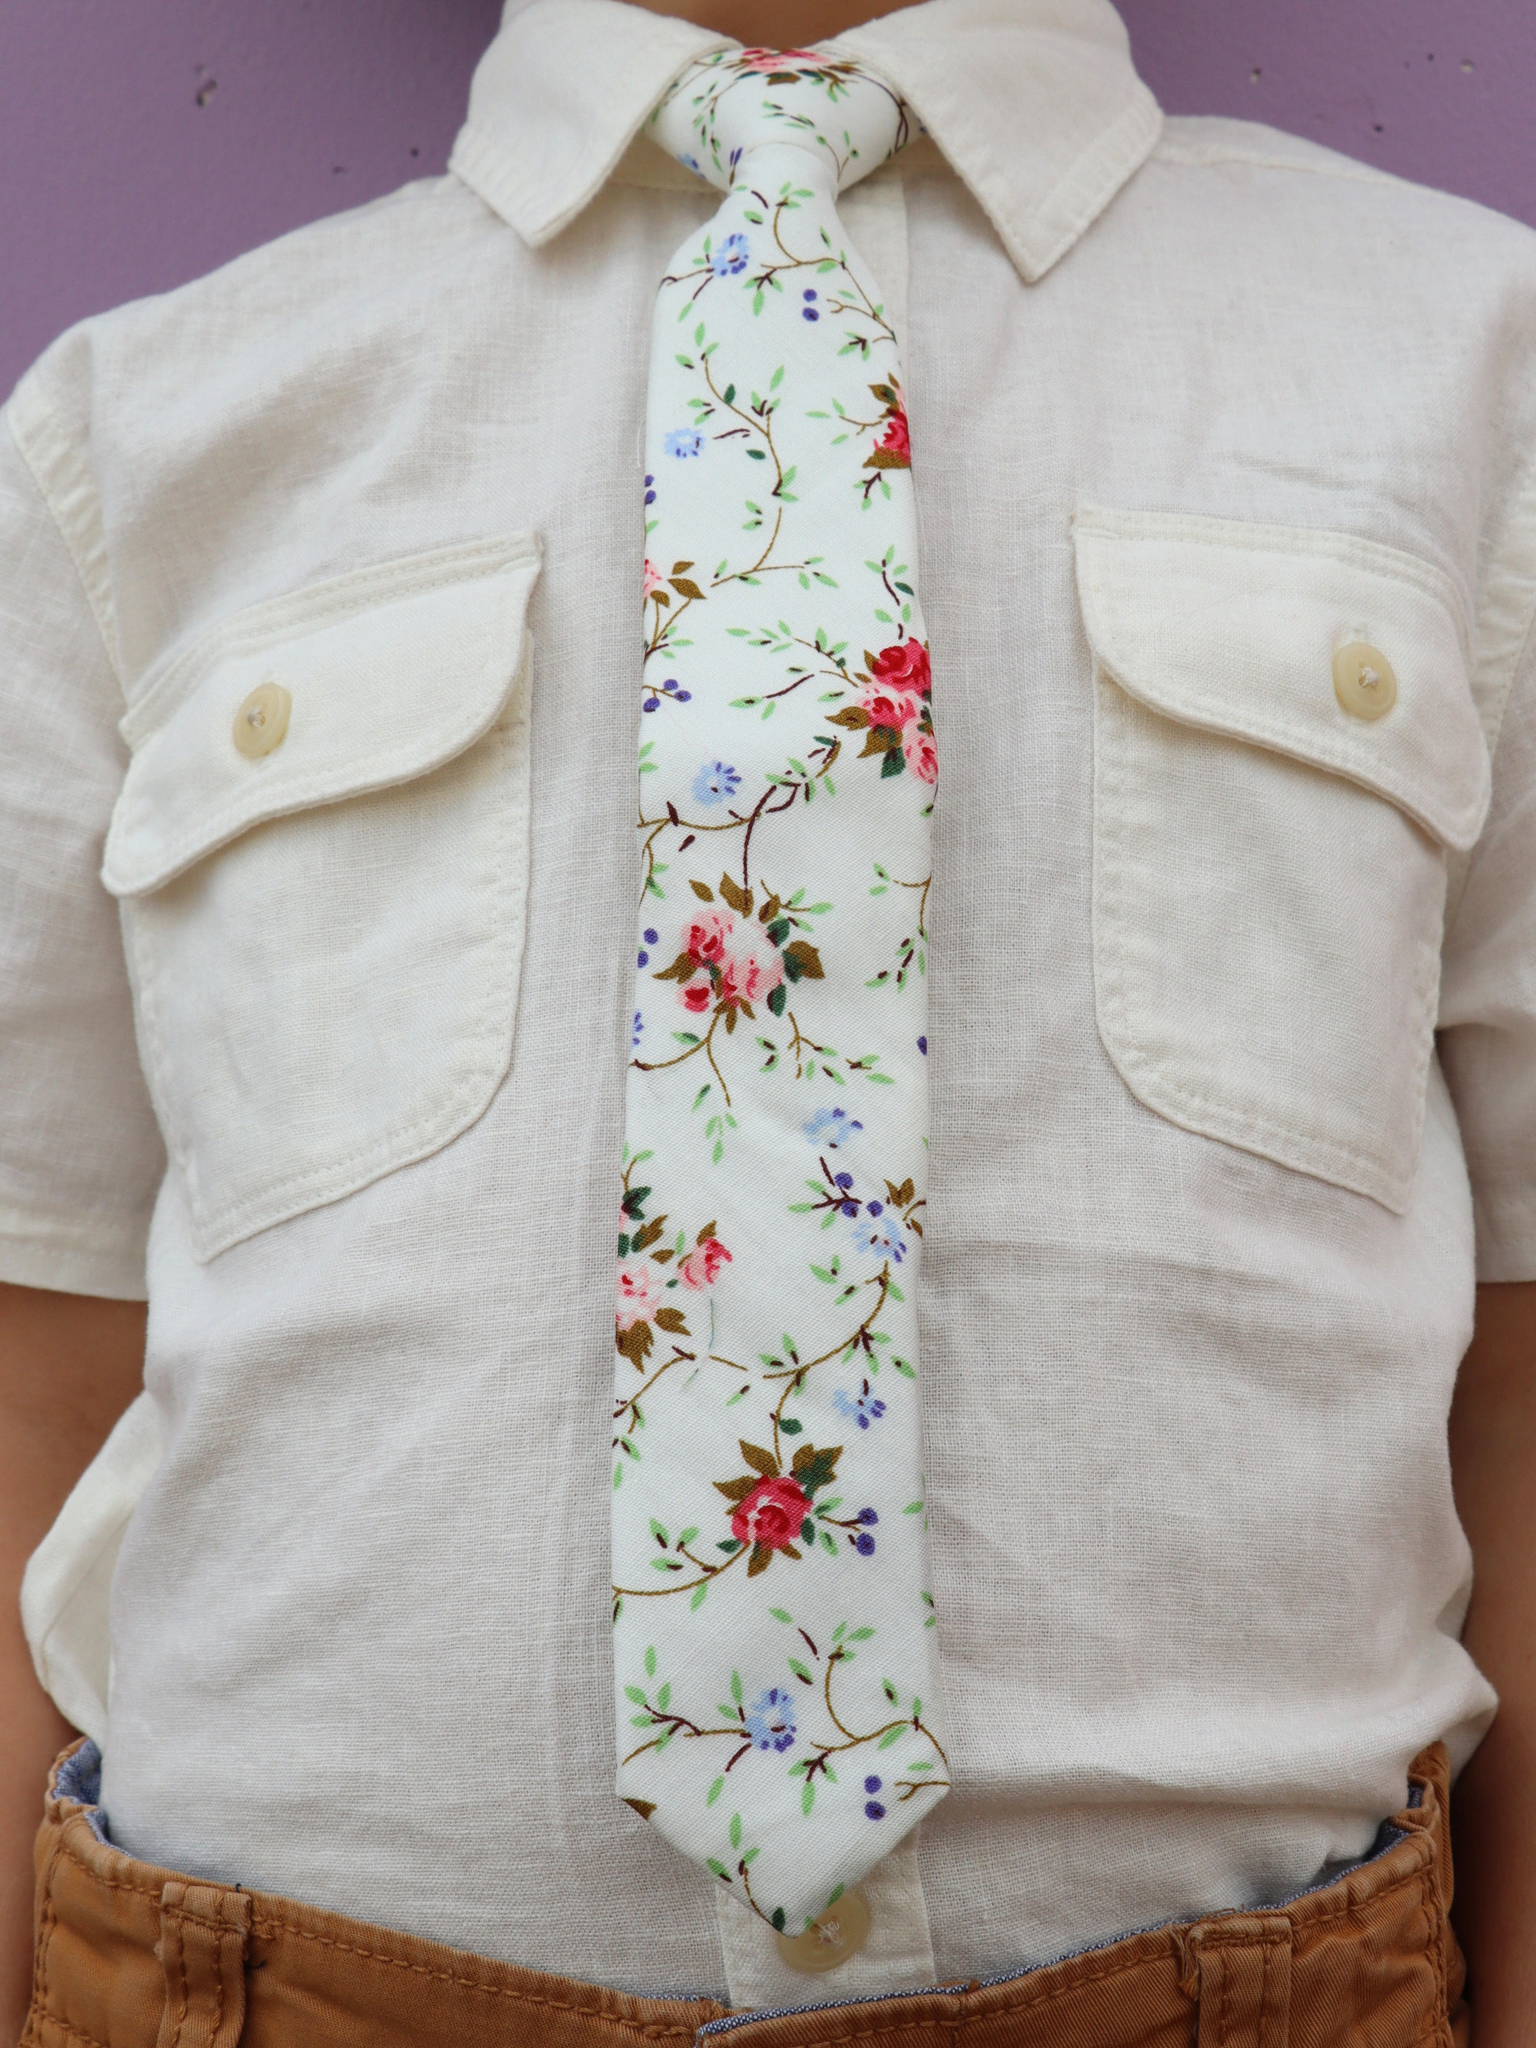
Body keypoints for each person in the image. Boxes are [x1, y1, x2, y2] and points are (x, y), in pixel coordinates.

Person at [2, 0, 1534, 2039]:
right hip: (264, 1983)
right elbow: (39, 1358)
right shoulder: (141, 438)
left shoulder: (1463, 369)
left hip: (1254, 1981)